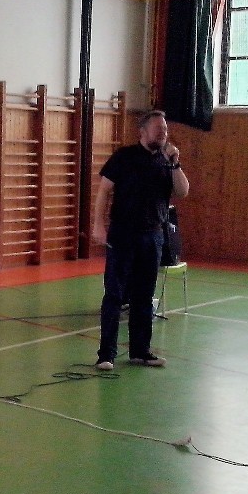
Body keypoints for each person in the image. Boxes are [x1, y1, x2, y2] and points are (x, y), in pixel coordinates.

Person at [92, 110, 189, 370]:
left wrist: (176, 163)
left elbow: (182, 191)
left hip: (153, 236)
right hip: (123, 233)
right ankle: (106, 354)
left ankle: (140, 351)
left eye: (165, 130)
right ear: (143, 132)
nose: (163, 133)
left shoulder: (167, 162)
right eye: (158, 129)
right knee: (115, 294)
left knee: (144, 296)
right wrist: (98, 224)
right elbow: (104, 191)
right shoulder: (124, 157)